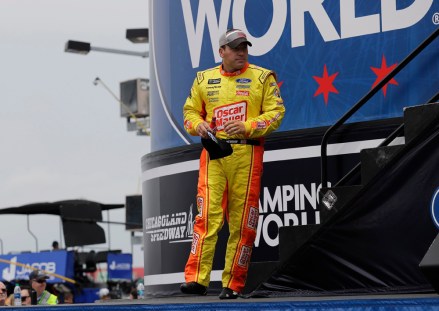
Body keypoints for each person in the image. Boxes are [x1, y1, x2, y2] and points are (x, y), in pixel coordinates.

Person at [181, 28, 285, 299]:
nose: (241, 52)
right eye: (236, 48)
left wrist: (248, 125)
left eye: (244, 48)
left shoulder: (263, 77)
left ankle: (233, 283)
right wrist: (198, 124)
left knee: (242, 224)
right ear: (222, 52)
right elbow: (189, 112)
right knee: (206, 218)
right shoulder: (204, 79)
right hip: (213, 154)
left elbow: (277, 113)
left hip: (247, 155)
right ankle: (196, 280)